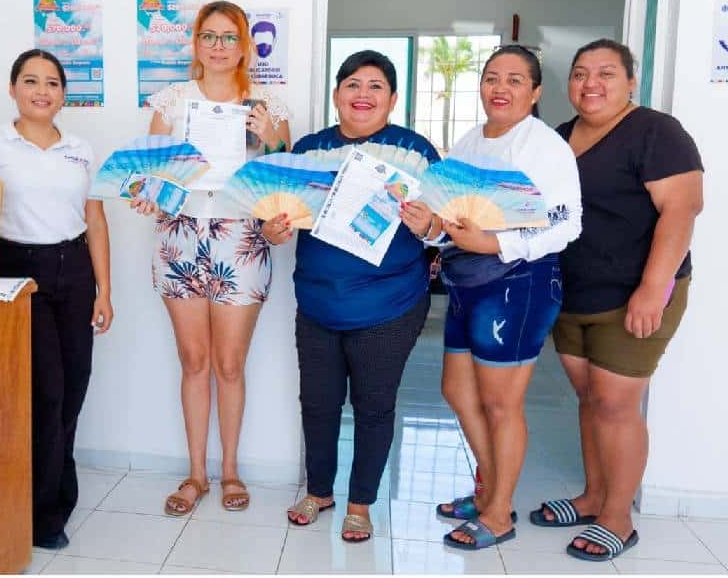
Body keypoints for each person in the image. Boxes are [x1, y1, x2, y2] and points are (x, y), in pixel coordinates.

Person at [530, 39, 703, 562]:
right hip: (576, 291)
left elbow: (682, 208)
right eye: (581, 73)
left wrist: (654, 289)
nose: (591, 84)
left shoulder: (656, 131)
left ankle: (618, 518)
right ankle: (591, 496)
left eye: (607, 73)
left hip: (637, 292)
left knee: (615, 404)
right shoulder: (560, 138)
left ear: (631, 81)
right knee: (590, 400)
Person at [263, 50, 439, 542]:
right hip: (317, 301)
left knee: (373, 405)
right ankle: (319, 491)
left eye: (376, 86)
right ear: (337, 94)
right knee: (317, 403)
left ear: (392, 98)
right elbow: (279, 216)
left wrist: (430, 226)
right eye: (353, 85)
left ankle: (360, 502)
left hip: (390, 304)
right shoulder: (309, 149)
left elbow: (445, 224)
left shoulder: (415, 151)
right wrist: (274, 231)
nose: (363, 95)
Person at [134, 0, 291, 515]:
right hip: (179, 234)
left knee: (229, 363)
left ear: (245, 45)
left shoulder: (266, 104)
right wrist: (146, 191)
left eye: (230, 37)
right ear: (196, 43)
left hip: (240, 238)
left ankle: (230, 472)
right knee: (193, 360)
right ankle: (196, 474)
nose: (219, 46)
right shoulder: (172, 100)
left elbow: (282, 182)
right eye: (210, 35)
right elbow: (153, 171)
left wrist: (270, 142)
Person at [425, 45, 582, 550]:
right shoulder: (471, 140)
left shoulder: (543, 146)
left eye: (515, 80)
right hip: (468, 278)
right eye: (492, 77)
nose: (501, 87)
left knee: (500, 403)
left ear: (535, 93)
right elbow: (451, 214)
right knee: (458, 390)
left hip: (521, 280)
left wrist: (493, 242)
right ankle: (492, 489)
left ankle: (498, 515)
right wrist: (430, 227)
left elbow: (566, 223)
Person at [0, 48, 113, 549]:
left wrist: (104, 289)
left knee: (74, 389)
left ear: (64, 94)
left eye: (51, 83)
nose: (41, 91)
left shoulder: (81, 149)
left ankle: (55, 492)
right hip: (15, 273)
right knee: (44, 393)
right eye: (30, 81)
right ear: (12, 89)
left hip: (74, 270)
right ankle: (43, 517)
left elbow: (95, 220)